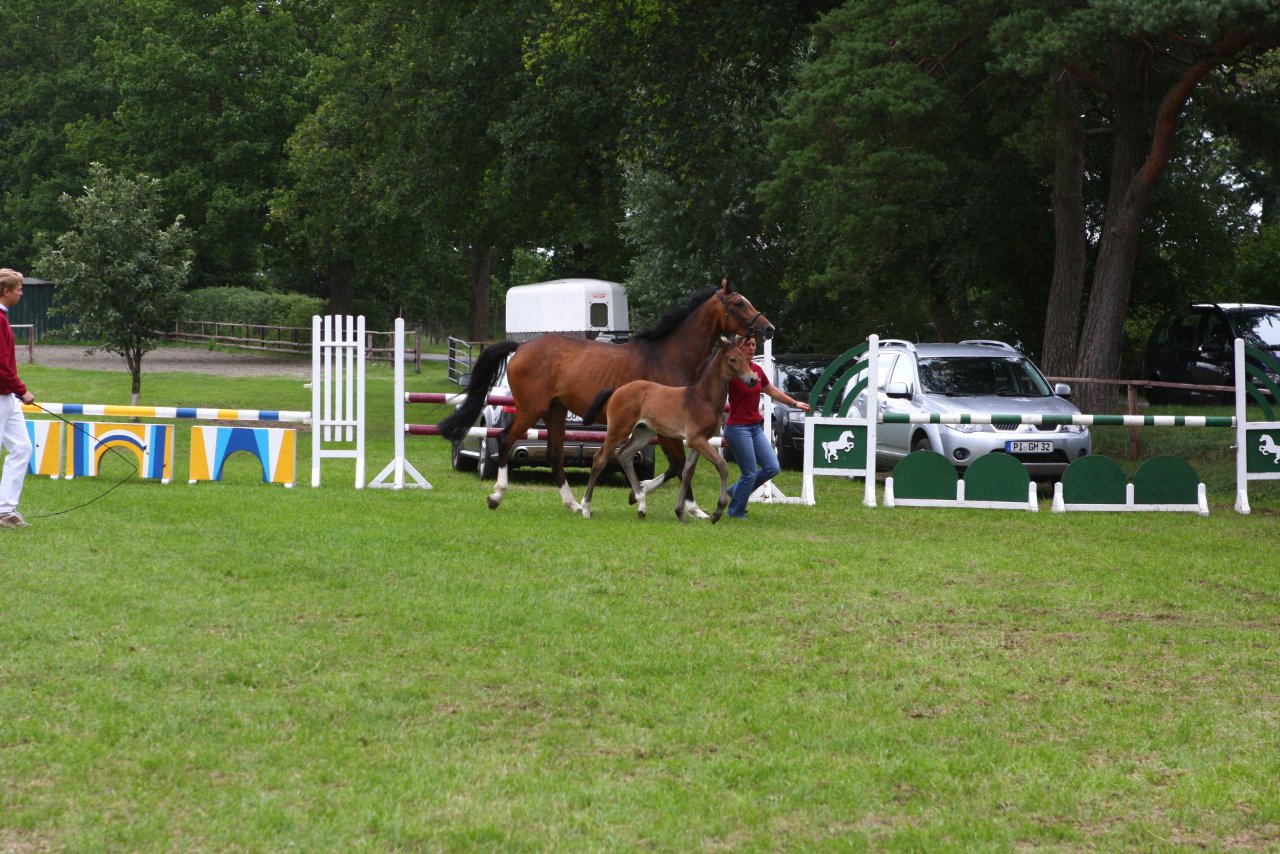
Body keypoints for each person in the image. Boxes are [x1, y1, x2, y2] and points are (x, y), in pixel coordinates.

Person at [723, 335, 810, 519]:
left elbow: (771, 390)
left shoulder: (757, 370)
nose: (753, 348)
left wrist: (795, 403)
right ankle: (735, 512)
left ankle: (736, 491)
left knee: (772, 467)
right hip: (737, 429)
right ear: (740, 347)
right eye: (749, 345)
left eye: (755, 345)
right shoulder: (732, 371)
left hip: (755, 427)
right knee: (750, 472)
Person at [0, 268, 35, 528]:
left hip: (7, 396)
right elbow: (2, 366)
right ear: (6, 291)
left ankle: (5, 510)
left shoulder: (3, 318)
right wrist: (22, 390)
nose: (21, 293)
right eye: (18, 289)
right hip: (5, 394)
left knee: (22, 447)